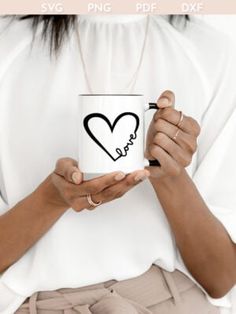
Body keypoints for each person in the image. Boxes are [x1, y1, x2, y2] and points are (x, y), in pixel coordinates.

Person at [0, 14, 235, 314]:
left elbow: (221, 278)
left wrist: (170, 175)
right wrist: (52, 198)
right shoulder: (7, 48)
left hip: (173, 302)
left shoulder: (211, 53)